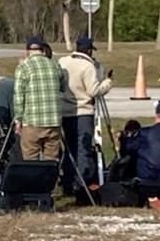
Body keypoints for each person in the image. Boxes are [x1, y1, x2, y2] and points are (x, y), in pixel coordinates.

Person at [59, 36, 113, 193]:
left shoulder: (63, 62)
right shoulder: (88, 66)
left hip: (65, 111)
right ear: (89, 50)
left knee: (70, 148)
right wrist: (107, 82)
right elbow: (94, 91)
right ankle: (81, 183)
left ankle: (68, 181)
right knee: (83, 148)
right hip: (83, 111)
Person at [13, 35, 66, 162]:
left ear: (27, 51)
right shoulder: (55, 65)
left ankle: (33, 182)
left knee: (30, 158)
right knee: (52, 159)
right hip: (53, 121)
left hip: (33, 121)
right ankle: (51, 181)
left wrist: (18, 119)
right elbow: (62, 88)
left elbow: (19, 96)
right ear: (42, 49)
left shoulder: (24, 67)